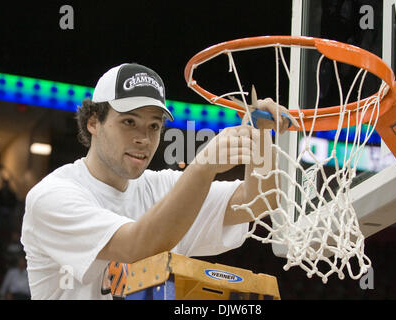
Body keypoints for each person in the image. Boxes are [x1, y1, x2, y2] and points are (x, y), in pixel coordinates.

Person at [20, 63, 292, 299]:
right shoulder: (52, 196)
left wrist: (262, 136)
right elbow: (137, 247)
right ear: (93, 122)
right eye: (129, 122)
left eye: (154, 126)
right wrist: (203, 167)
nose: (144, 138)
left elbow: (257, 203)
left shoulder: (162, 187)